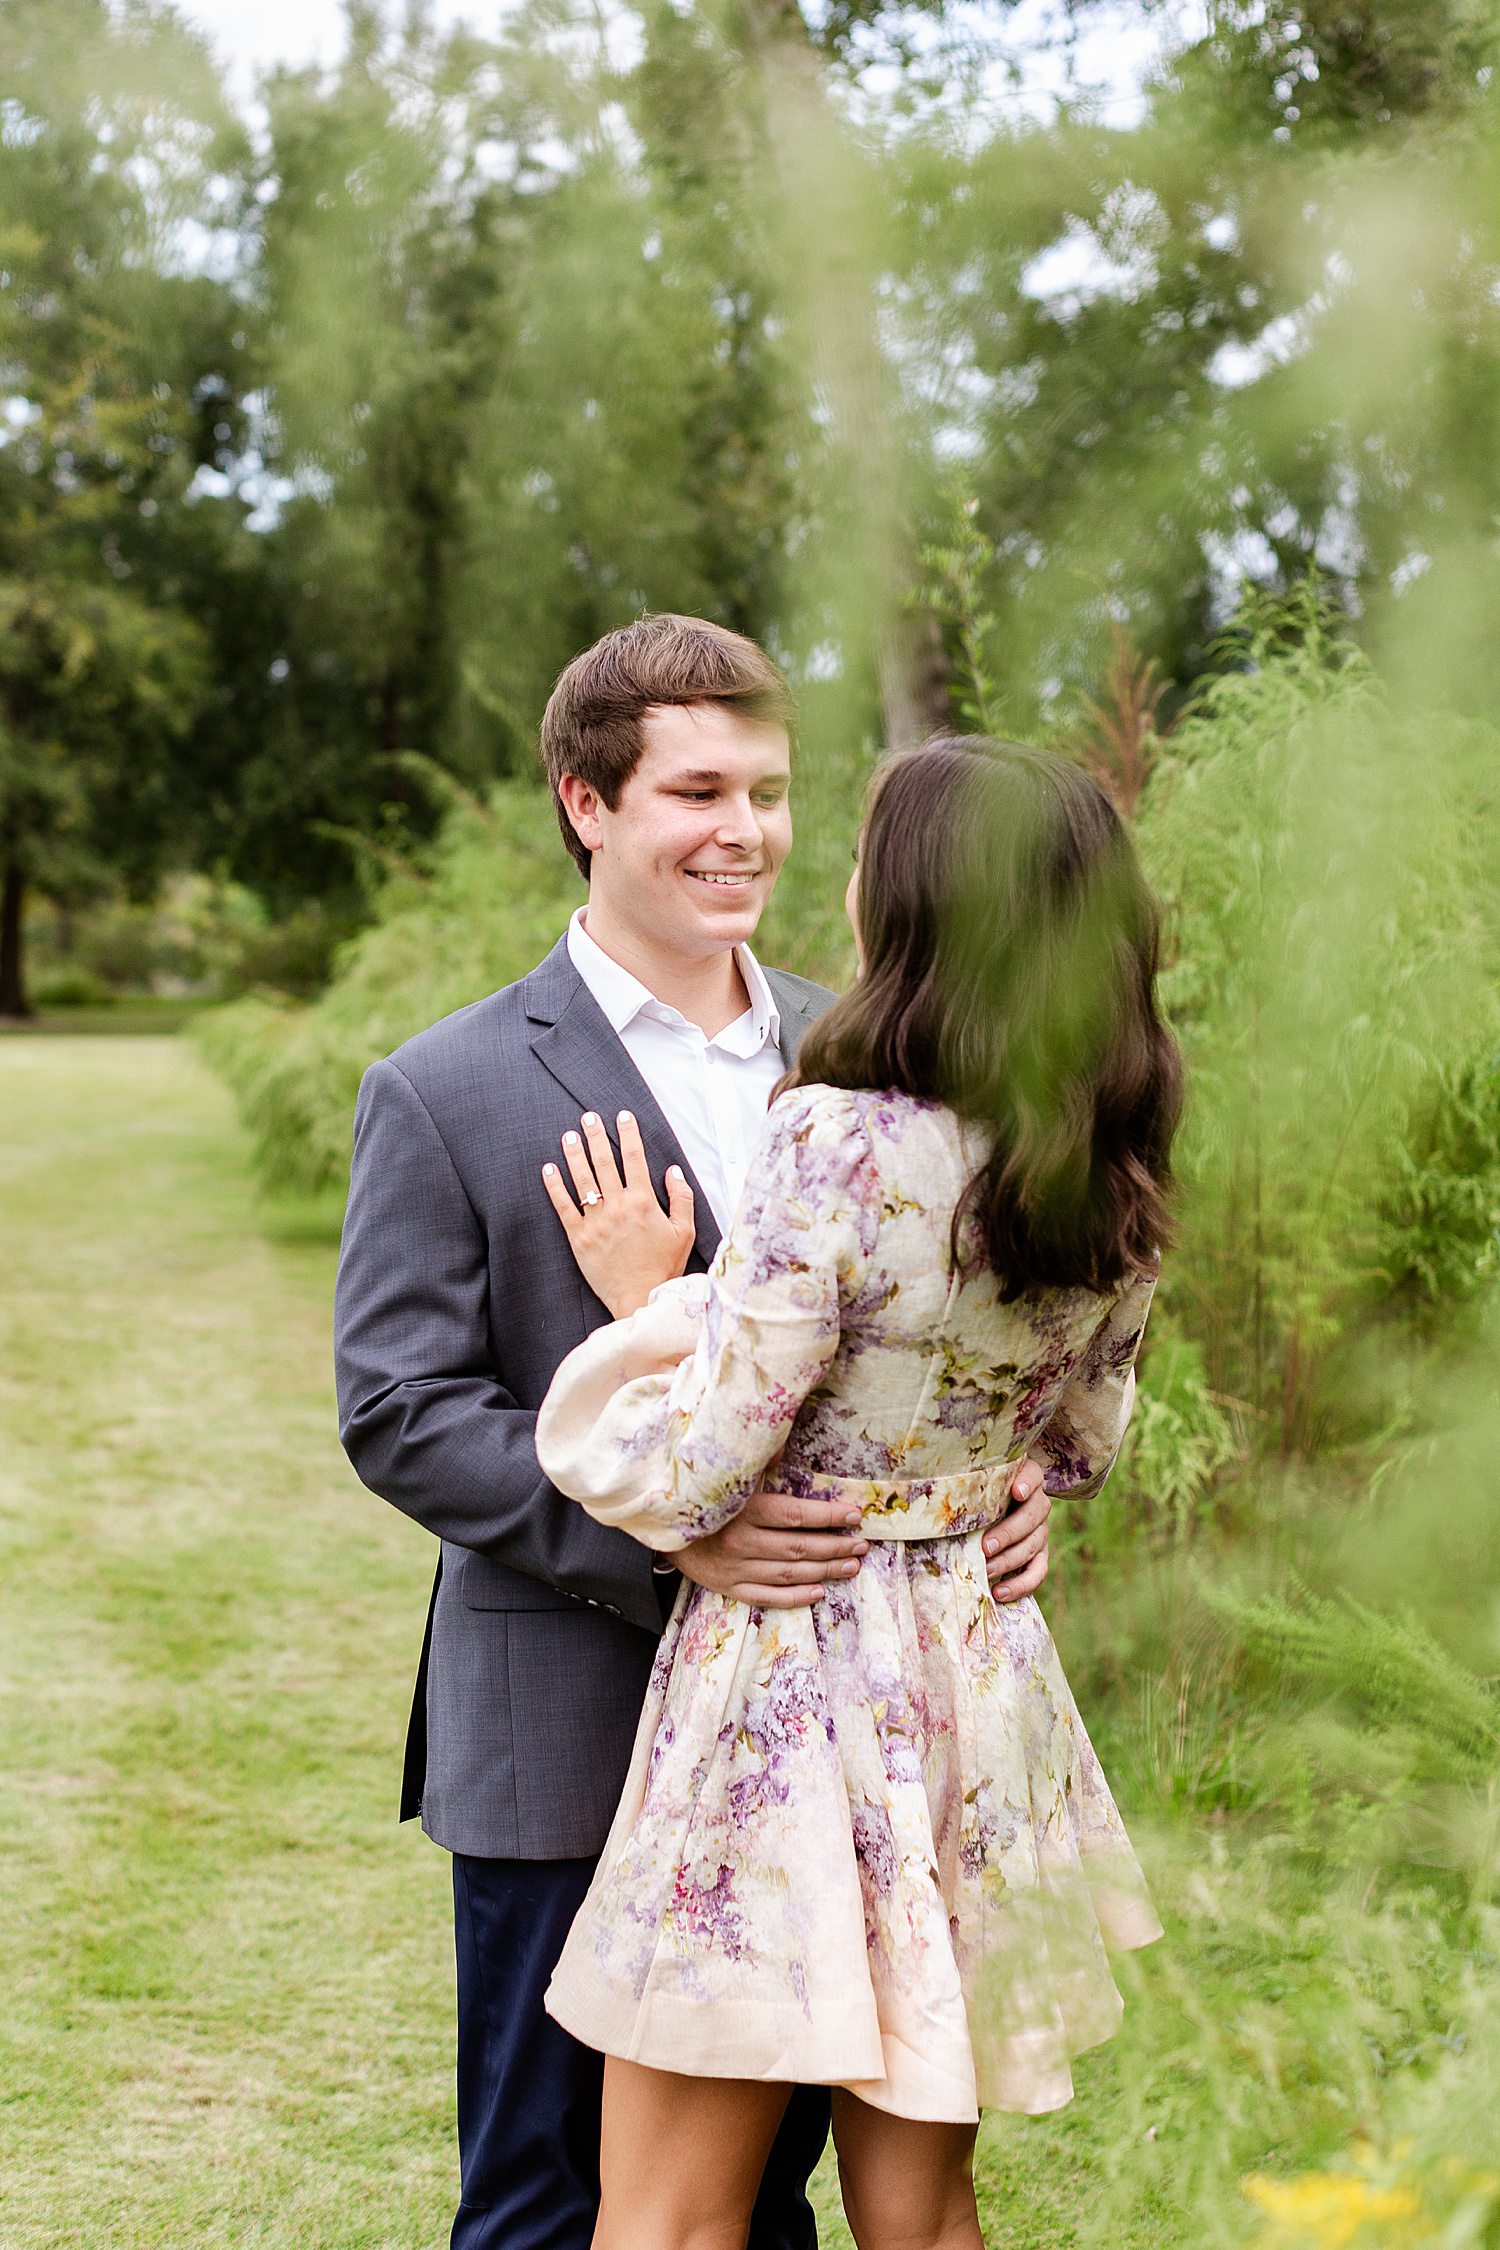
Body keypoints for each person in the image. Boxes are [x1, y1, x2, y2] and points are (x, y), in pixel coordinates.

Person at [332, 619, 1054, 2250]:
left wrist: (1008, 1496)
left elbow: (962, 1344)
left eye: (774, 791)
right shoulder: (445, 1087)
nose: (745, 829)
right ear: (588, 802)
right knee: (551, 2199)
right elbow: (400, 1408)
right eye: (699, 788)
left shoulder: (875, 1045)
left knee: (767, 2200)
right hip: (569, 1723)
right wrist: (676, 1523)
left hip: (847, 1738)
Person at [532, 734, 1183, 2250]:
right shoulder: (1109, 1164)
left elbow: (692, 1459)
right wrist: (975, 1491)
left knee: (669, 2216)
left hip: (796, 1672)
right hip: (974, 1682)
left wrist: (652, 1300)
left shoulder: (835, 1138)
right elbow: (1076, 1448)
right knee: (924, 2208)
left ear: (922, 905)